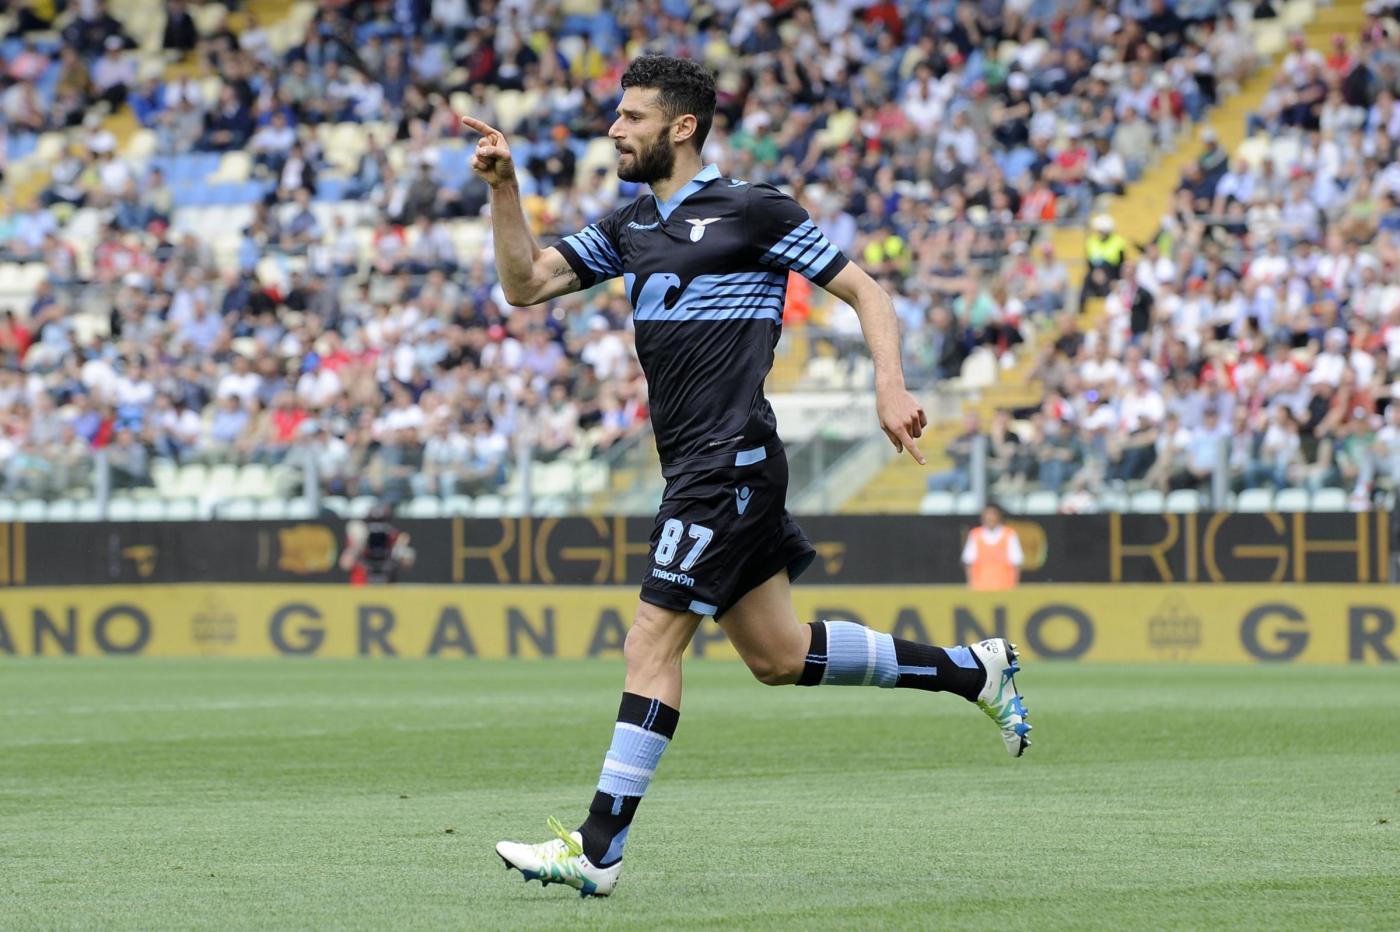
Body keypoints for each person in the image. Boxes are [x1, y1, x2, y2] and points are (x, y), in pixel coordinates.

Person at [464, 55, 1031, 899]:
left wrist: (889, 384)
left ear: (681, 127)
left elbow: (868, 291)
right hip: (709, 465)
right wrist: (504, 189)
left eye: (631, 116)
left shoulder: (756, 210)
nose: (614, 129)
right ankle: (972, 670)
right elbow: (525, 284)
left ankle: (598, 846)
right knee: (777, 654)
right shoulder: (634, 224)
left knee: (650, 641)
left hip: (724, 463)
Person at [338, 504, 415, 585]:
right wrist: (357, 547)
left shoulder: (393, 535)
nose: (378, 528)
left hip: (387, 584)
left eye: (382, 522)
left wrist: (400, 550)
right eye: (373, 522)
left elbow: (408, 563)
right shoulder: (360, 536)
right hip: (361, 587)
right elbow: (345, 565)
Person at [962, 503, 1024, 591]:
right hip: (980, 588)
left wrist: (1014, 586)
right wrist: (971, 585)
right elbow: (969, 562)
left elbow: (1016, 563)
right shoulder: (975, 534)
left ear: (999, 516)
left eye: (993, 514)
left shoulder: (1009, 534)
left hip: (1005, 588)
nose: (990, 518)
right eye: (987, 514)